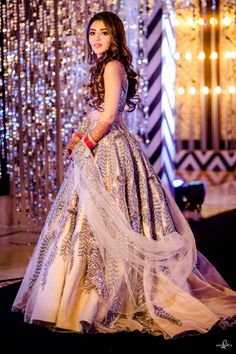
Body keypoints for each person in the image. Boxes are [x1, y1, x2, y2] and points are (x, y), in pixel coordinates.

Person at [12, 11, 236, 339]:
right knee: (88, 220)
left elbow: (110, 115)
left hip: (110, 150)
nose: (96, 38)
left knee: (112, 217)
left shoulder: (113, 66)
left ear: (115, 36)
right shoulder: (104, 67)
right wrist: (78, 138)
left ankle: (102, 294)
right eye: (92, 33)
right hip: (99, 146)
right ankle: (79, 288)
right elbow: (98, 113)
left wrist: (85, 143)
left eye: (103, 33)